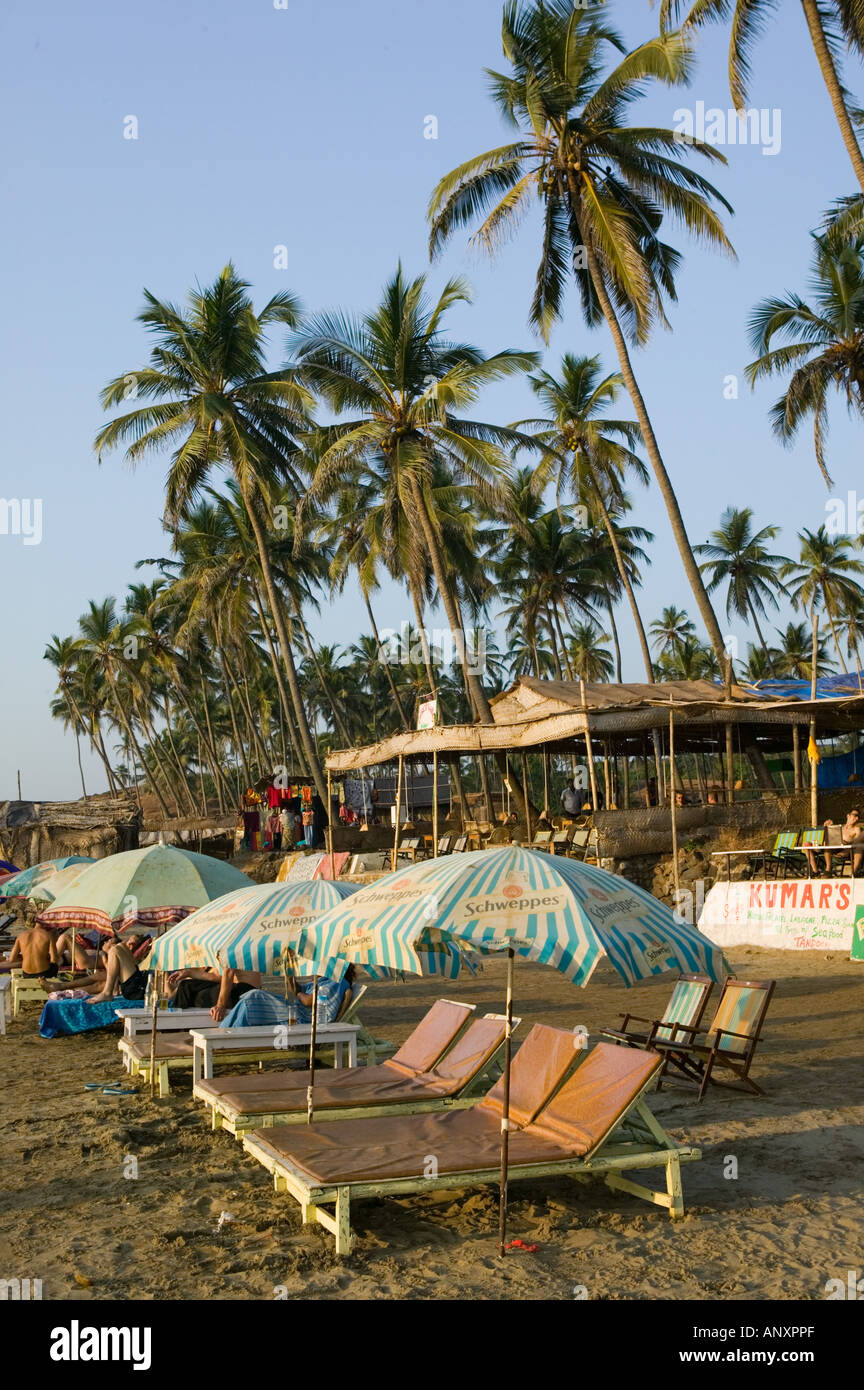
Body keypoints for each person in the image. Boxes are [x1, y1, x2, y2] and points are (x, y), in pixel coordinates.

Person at [165, 964, 262, 1021]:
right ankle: (174, 1023)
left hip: (244, 992)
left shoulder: (232, 942)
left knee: (192, 994)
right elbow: (218, 977)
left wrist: (220, 1005)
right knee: (186, 985)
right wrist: (188, 973)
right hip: (241, 989)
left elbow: (228, 972)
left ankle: (174, 1025)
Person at [86, 937, 153, 1003]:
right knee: (120, 946)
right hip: (141, 979)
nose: (105, 942)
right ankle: (111, 991)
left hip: (138, 990)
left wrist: (104, 956)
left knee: (114, 950)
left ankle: (107, 993)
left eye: (109, 941)